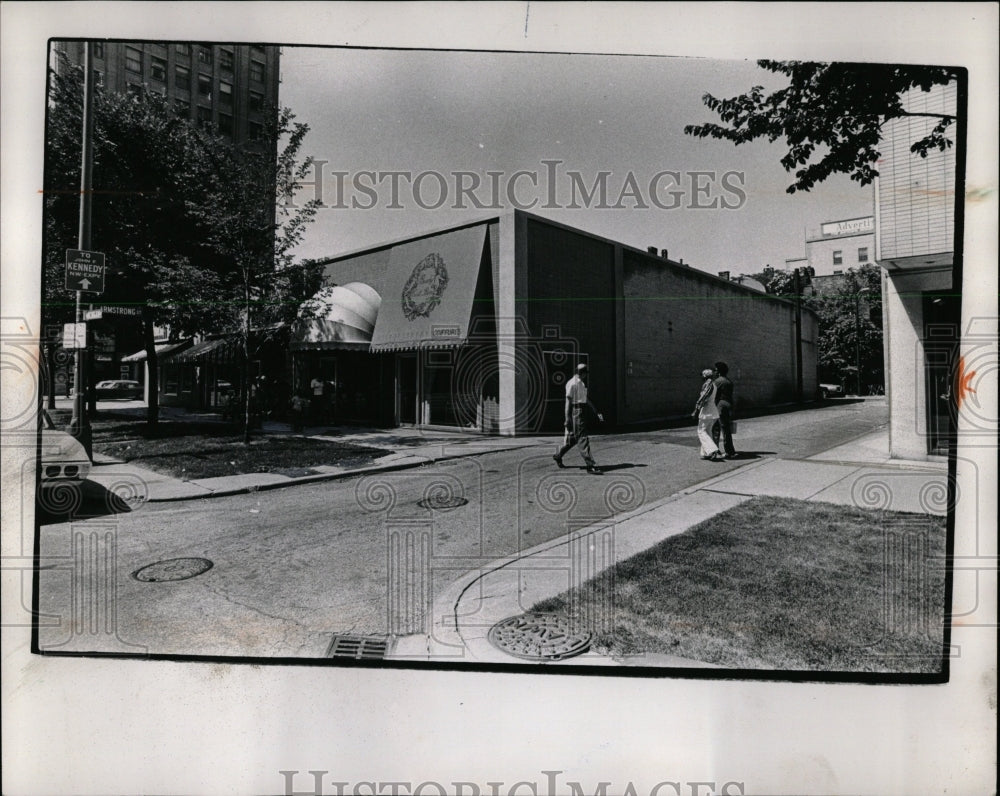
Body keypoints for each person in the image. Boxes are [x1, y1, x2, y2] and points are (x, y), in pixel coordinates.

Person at [553, 363, 605, 474]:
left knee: (573, 439)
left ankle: (558, 455)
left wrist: (596, 411)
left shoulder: (581, 383)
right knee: (582, 438)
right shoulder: (571, 383)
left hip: (582, 410)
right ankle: (590, 465)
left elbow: (585, 399)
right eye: (585, 373)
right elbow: (568, 402)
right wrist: (567, 418)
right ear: (581, 373)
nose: (586, 375)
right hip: (576, 411)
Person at [692, 368, 723, 461]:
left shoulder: (708, 384)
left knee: (701, 431)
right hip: (713, 411)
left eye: (702, 375)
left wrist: (696, 409)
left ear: (705, 376)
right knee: (708, 431)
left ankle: (712, 449)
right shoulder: (713, 384)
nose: (702, 377)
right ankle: (706, 453)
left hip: (707, 411)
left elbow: (703, 397)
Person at [713, 360, 737, 459]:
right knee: (726, 429)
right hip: (728, 405)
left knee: (716, 429)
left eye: (715, 370)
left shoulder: (717, 381)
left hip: (720, 406)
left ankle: (717, 450)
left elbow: (713, 395)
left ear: (718, 371)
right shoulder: (729, 381)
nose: (714, 372)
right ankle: (729, 450)